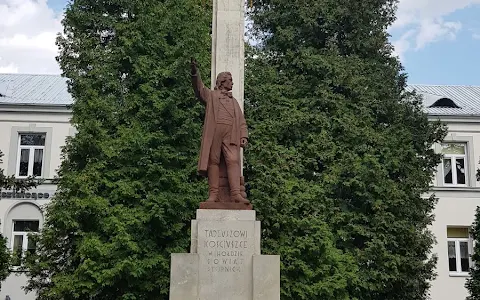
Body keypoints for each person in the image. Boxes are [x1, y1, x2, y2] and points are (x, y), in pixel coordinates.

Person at [190, 58, 248, 203]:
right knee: (213, 161)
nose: (232, 83)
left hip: (231, 132)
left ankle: (236, 194)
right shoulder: (212, 96)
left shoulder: (234, 101)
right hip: (215, 131)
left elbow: (241, 120)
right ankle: (214, 194)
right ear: (222, 81)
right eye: (230, 80)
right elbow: (199, 90)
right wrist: (194, 72)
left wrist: (244, 136)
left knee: (233, 160)